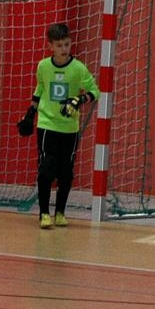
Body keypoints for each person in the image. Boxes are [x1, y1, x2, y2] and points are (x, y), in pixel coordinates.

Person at [25, 23, 99, 229]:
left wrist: (80, 99)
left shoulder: (78, 68)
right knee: (46, 169)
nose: (64, 49)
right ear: (50, 46)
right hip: (47, 125)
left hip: (69, 128)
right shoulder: (43, 66)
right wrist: (30, 113)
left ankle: (60, 212)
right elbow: (40, 88)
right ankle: (44, 213)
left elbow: (95, 91)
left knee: (66, 172)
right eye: (59, 45)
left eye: (66, 44)